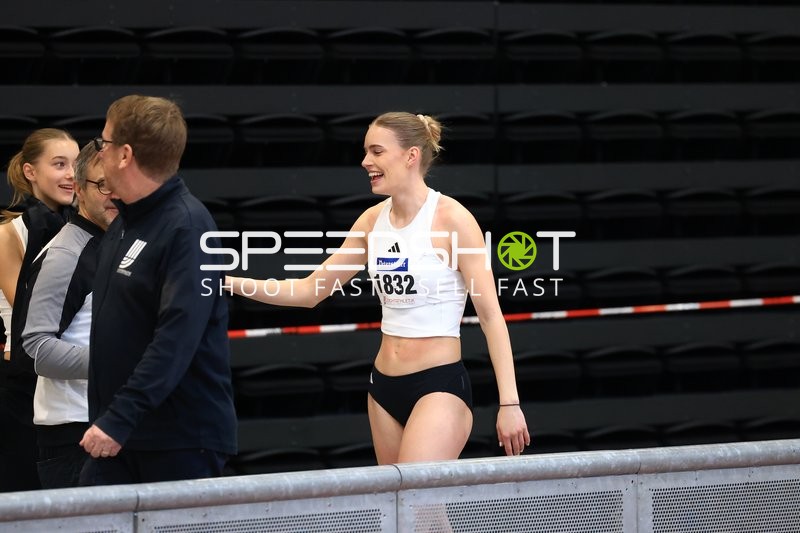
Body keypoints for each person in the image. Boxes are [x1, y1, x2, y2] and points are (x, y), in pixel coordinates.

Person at [227, 111, 530, 464]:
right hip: (383, 387)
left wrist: (510, 403)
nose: (365, 161)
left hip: (438, 387)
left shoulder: (453, 219)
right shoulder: (371, 221)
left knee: (415, 506)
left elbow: (491, 315)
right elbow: (310, 292)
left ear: (411, 156)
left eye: (376, 151)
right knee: (407, 515)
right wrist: (227, 281)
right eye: (366, 152)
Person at [79, 95, 236, 485]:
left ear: (124, 155)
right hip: (124, 434)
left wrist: (119, 418)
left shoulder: (187, 227)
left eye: (104, 143)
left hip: (176, 441)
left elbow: (177, 338)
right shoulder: (123, 224)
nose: (99, 151)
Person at [19, 142, 118, 488]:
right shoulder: (67, 252)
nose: (113, 195)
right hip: (77, 435)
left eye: (120, 184)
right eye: (102, 184)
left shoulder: (115, 243)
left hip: (109, 424)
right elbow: (36, 348)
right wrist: (119, 363)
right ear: (78, 189)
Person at [0, 128, 78, 491]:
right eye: (59, 164)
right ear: (31, 171)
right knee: (25, 489)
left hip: (64, 378)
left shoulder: (81, 229)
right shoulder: (9, 233)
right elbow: (30, 313)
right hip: (20, 380)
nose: (71, 174)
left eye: (77, 164)